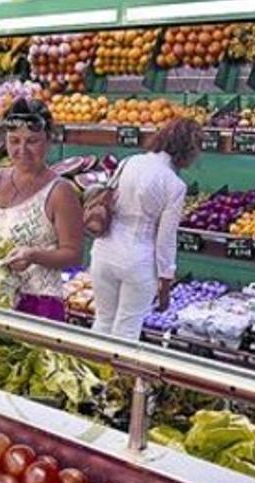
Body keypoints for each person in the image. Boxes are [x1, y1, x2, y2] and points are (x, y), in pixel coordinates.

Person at [0, 98, 84, 321]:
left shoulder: (60, 191)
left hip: (36, 307)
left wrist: (34, 256)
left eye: (32, 141)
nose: (22, 150)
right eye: (14, 141)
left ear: (48, 141)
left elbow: (74, 255)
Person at [90, 117, 202, 340]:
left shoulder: (129, 162)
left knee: (103, 320)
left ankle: (90, 372)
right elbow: (165, 240)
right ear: (187, 151)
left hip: (103, 252)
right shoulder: (175, 185)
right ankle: (117, 375)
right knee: (127, 329)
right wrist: (165, 283)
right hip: (138, 260)